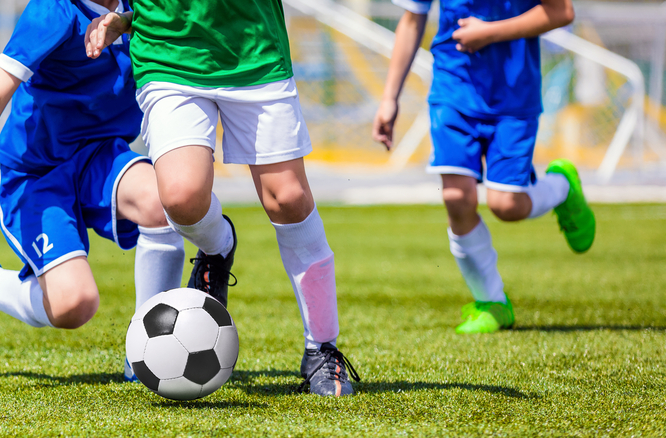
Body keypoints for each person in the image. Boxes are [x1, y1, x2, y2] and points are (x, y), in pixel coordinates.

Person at [85, 0, 361, 396]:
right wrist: (127, 19)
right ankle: (218, 246)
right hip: (170, 51)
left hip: (253, 48)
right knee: (181, 196)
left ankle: (322, 348)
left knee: (287, 199)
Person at [0, 0, 187, 383]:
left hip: (100, 154)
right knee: (74, 305)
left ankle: (147, 351)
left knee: (164, 201)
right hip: (37, 171)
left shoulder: (147, 6)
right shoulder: (52, 11)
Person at [372, 0, 594, 333]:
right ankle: (492, 301)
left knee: (506, 206)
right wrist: (390, 97)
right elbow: (412, 19)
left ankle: (561, 186)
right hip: (453, 89)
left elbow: (562, 11)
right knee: (456, 198)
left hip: (514, 97)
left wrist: (490, 33)